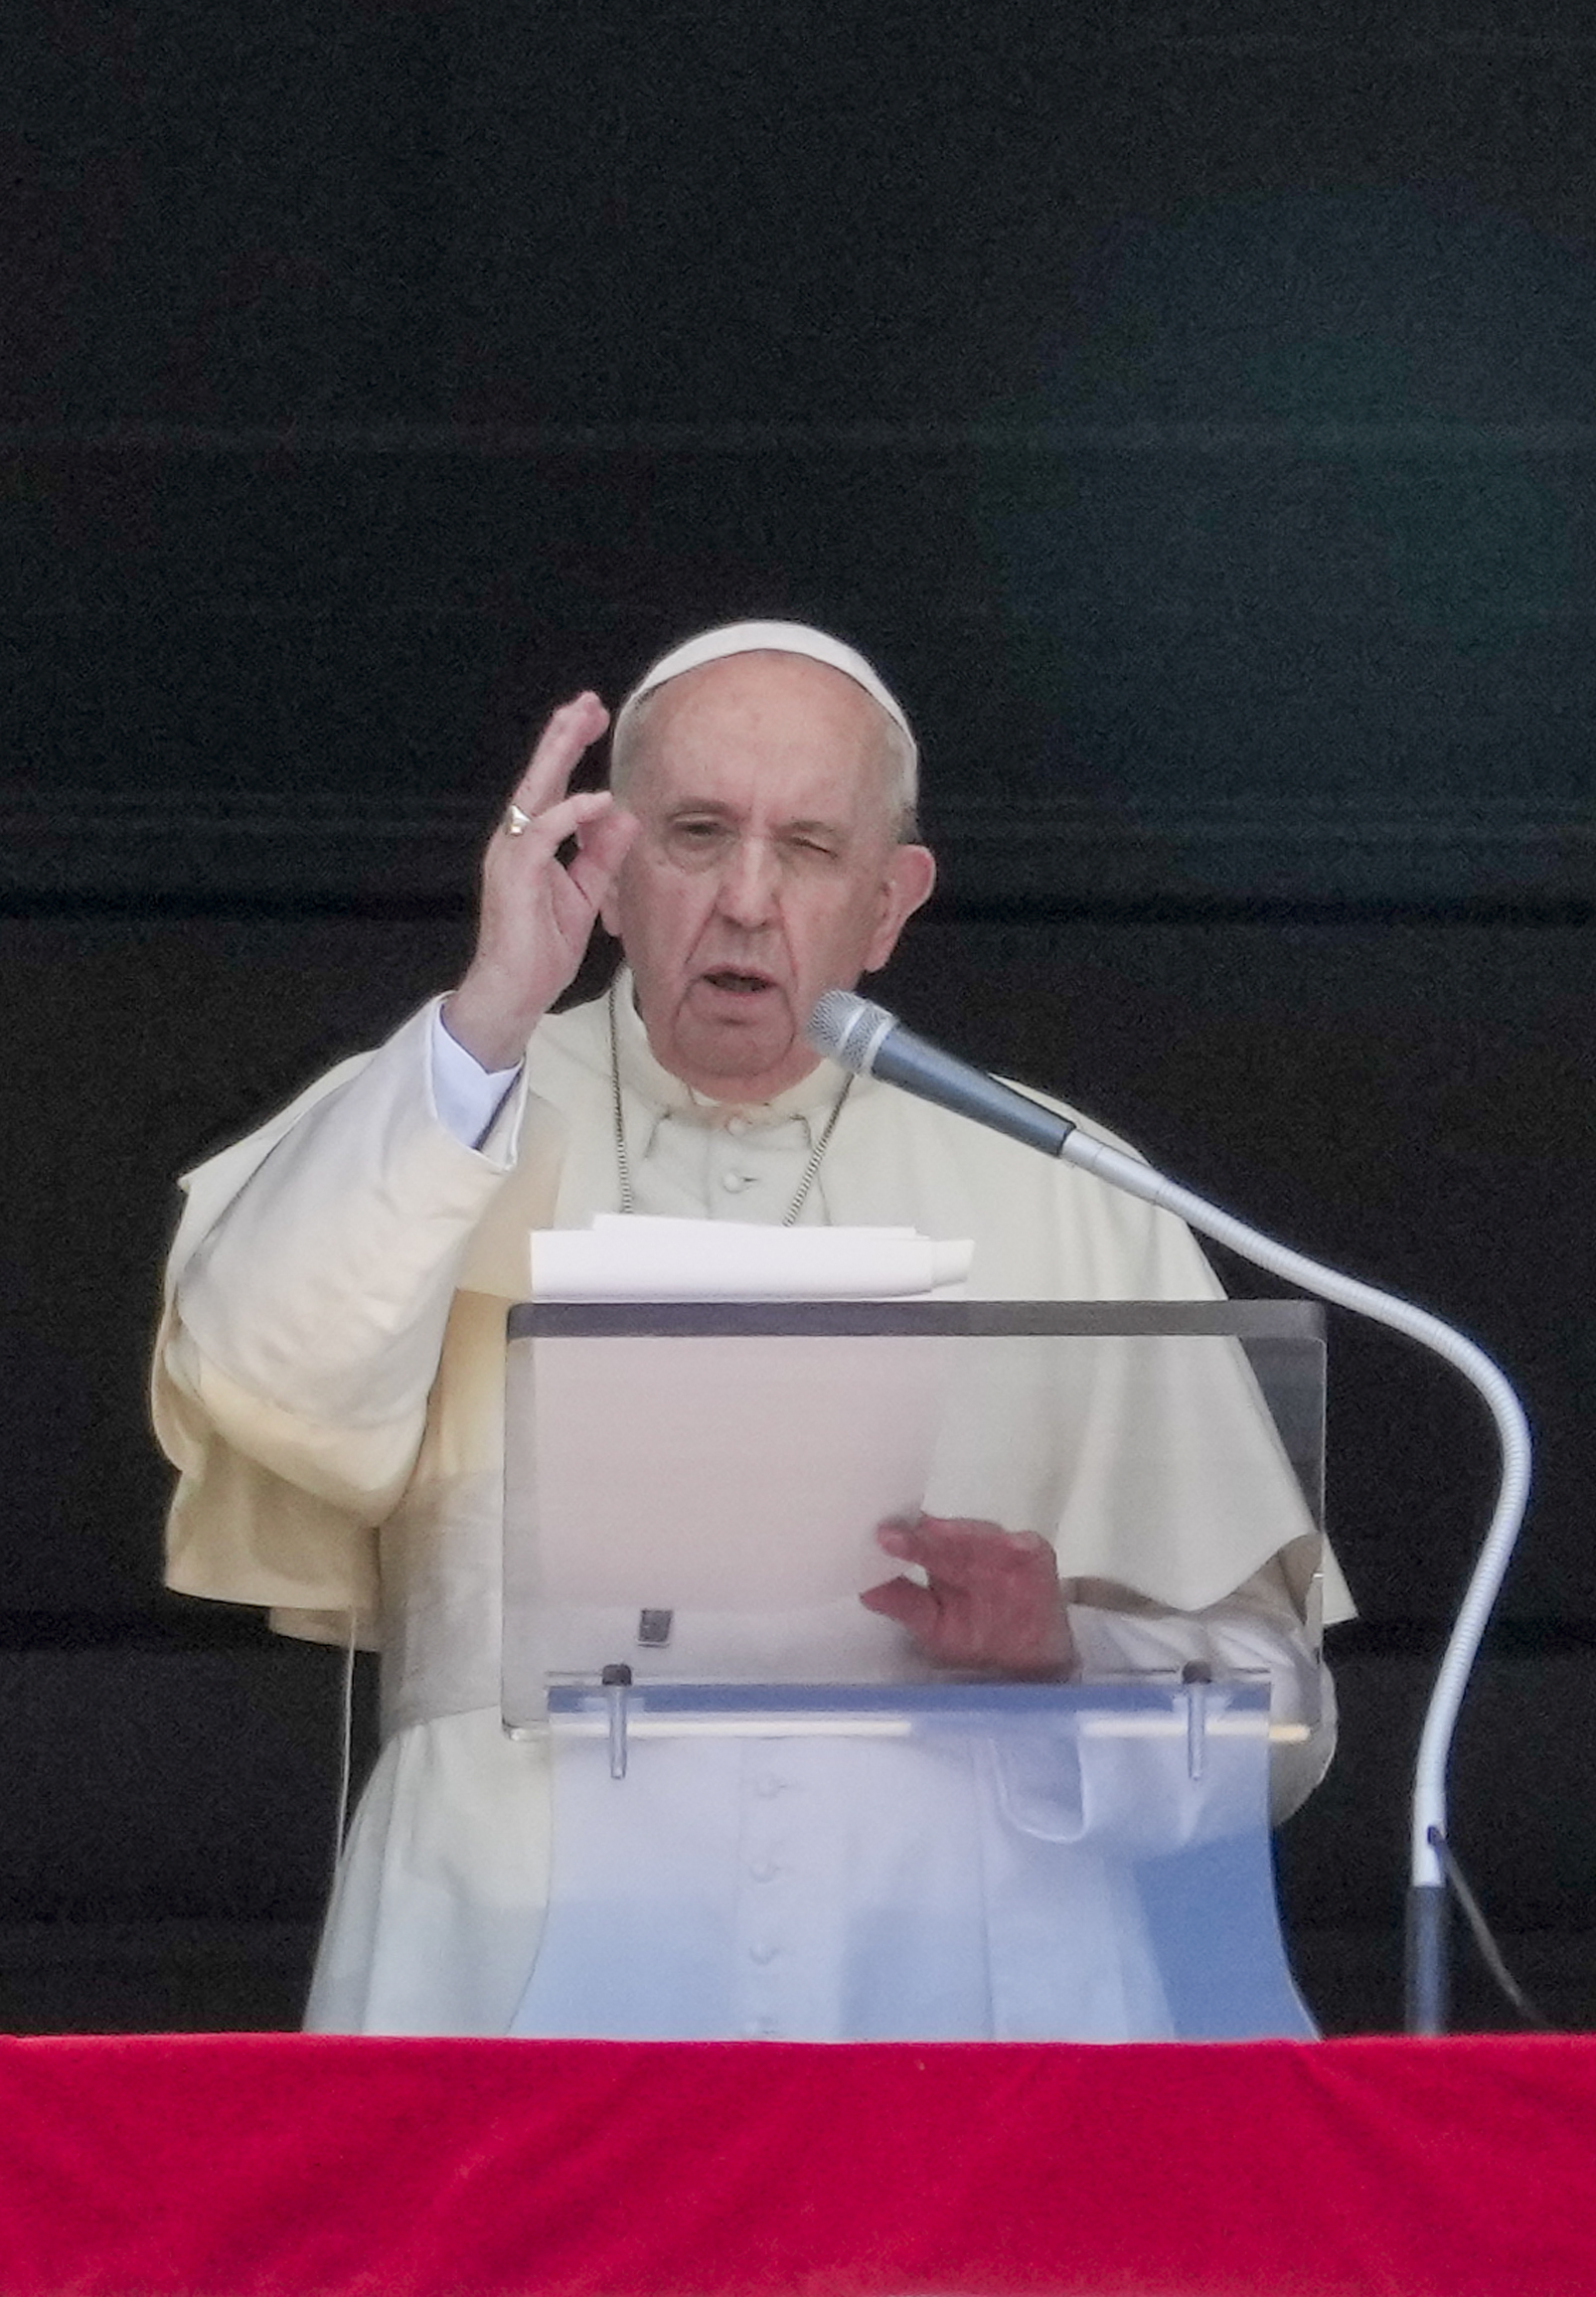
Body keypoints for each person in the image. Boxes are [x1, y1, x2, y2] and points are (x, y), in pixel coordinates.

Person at [151, 620, 1342, 2034]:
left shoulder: (1066, 1178)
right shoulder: (448, 1095)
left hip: (958, 2010)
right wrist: (484, 1018)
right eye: (698, 832)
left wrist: (1067, 1650)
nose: (747, 898)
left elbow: (1281, 1720)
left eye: (813, 849)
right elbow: (256, 1381)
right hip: (514, 1989)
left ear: (891, 903)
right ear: (605, 859)